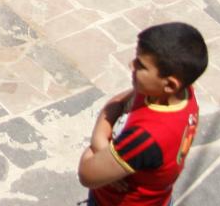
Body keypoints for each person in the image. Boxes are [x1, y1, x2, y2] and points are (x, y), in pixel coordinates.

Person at [78, 23, 206, 206]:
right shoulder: (182, 95)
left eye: (141, 65)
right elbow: (120, 101)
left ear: (170, 84)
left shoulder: (146, 136)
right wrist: (106, 154)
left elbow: (87, 173)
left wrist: (97, 144)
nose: (132, 65)